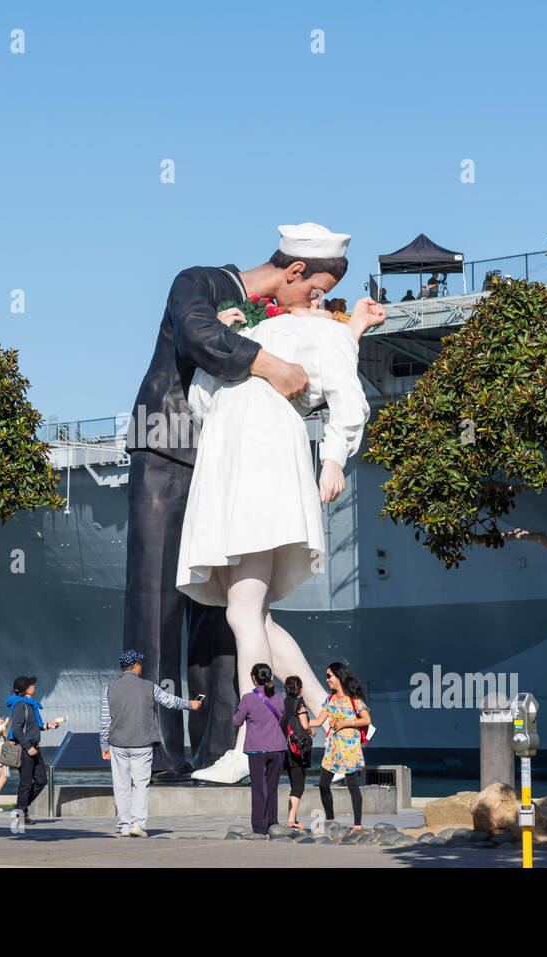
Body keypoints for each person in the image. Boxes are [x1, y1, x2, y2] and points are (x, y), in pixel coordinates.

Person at [123, 222, 348, 773]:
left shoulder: (277, 322)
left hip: (229, 468)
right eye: (313, 291)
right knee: (156, 604)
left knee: (226, 616)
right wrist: (273, 364)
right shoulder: (196, 282)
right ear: (293, 272)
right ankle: (147, 744)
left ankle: (223, 741)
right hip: (168, 448)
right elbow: (198, 335)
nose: (314, 303)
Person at [180, 266, 384, 783]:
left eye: (322, 292)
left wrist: (334, 457)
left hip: (263, 455)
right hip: (227, 459)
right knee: (257, 616)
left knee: (244, 612)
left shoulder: (329, 332)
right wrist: (226, 341)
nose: (312, 296)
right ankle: (337, 722)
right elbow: (202, 403)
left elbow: (348, 397)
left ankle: (250, 745)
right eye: (311, 287)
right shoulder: (251, 332)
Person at [99, 650, 201, 837]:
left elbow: (105, 720)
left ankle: (124, 826)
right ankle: (138, 825)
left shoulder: (110, 688)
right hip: (142, 745)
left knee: (121, 785)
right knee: (140, 784)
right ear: (137, 666)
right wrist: (190, 705)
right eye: (140, 664)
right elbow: (170, 702)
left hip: (118, 745)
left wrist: (104, 746)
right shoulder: (148, 687)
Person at [309, 661, 371, 830]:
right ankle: (330, 819)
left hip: (350, 747)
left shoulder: (353, 699)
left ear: (338, 676)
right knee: (323, 784)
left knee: (352, 785)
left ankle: (357, 824)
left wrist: (345, 723)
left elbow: (366, 719)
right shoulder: (330, 700)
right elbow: (319, 721)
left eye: (329, 676)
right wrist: (301, 722)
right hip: (333, 747)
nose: (327, 679)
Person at [234, 663, 287, 834]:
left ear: (254, 678)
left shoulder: (248, 698)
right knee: (272, 788)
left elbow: (237, 721)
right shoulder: (279, 697)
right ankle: (272, 823)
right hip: (277, 748)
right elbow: (282, 719)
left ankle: (259, 826)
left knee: (258, 789)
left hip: (257, 749)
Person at [5, 675, 61, 825]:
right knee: (25, 783)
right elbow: (16, 730)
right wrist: (28, 747)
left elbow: (32, 727)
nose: (34, 686)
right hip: (26, 749)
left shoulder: (30, 705)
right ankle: (22, 813)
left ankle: (21, 808)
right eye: (31, 684)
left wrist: (48, 725)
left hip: (35, 748)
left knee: (42, 780)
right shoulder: (19, 705)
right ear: (27, 689)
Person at [282, 676, 312, 830]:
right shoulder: (299, 702)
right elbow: (305, 724)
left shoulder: (283, 702)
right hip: (298, 749)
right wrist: (311, 731)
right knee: (299, 785)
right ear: (299, 688)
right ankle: (291, 821)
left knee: (294, 784)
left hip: (285, 749)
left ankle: (293, 818)